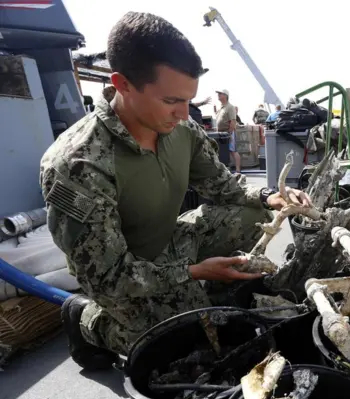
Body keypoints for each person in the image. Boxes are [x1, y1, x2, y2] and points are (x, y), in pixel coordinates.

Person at [39, 11, 311, 370]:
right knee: (178, 345)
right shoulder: (78, 164)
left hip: (173, 242)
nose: (185, 114)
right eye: (171, 101)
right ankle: (90, 321)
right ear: (122, 84)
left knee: (254, 216)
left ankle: (196, 297)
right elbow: (110, 276)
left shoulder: (181, 131)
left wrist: (269, 197)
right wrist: (196, 272)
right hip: (124, 275)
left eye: (189, 101)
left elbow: (226, 189)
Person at [213, 89, 241, 173]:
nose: (218, 95)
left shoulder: (230, 107)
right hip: (221, 133)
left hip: (228, 133)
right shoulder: (221, 107)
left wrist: (230, 132)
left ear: (225, 95)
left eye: (220, 94)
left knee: (233, 151)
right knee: (223, 151)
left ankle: (238, 170)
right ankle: (225, 169)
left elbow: (233, 121)